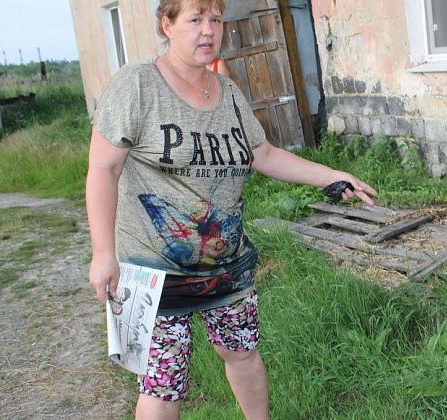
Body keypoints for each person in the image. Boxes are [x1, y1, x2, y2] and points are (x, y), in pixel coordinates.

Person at [85, 1, 377, 418]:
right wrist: (103, 254)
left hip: (227, 264)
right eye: (194, 19)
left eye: (215, 20)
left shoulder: (230, 93)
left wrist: (331, 174)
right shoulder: (136, 86)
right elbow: (102, 169)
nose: (208, 31)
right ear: (167, 25)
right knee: (164, 385)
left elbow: (264, 153)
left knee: (242, 354)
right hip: (152, 271)